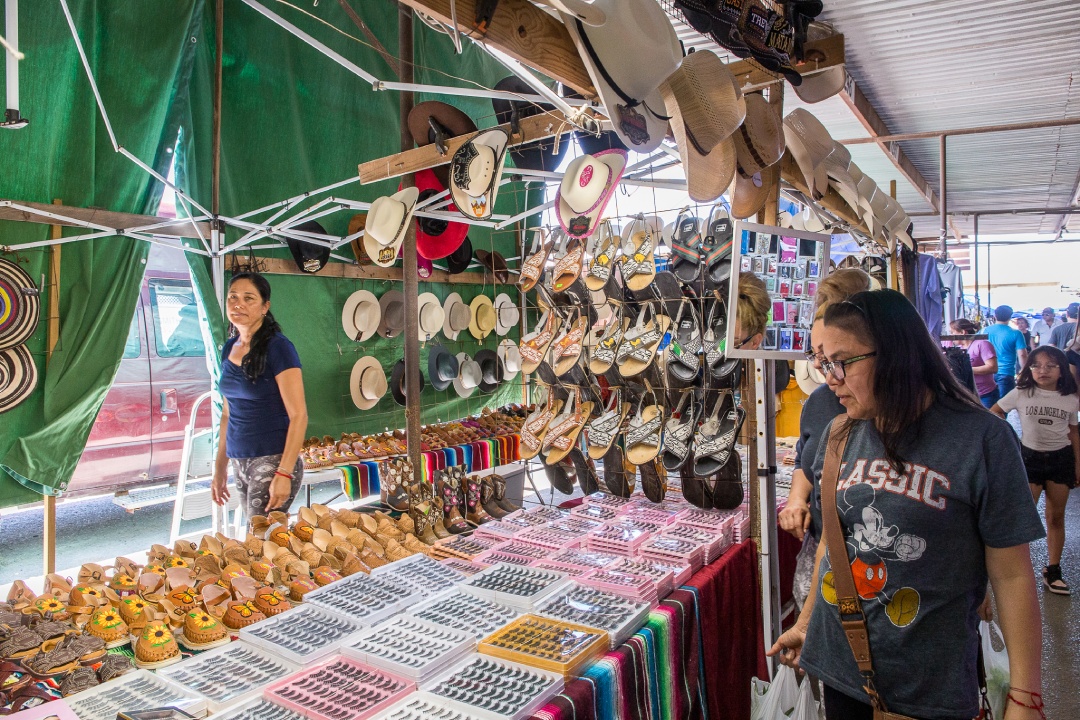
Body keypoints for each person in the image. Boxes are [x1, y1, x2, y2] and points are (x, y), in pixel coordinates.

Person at [768, 289, 1044, 720]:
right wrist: (805, 624)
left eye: (841, 362)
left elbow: (1011, 576)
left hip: (929, 686)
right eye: (823, 364)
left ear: (896, 354)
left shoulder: (983, 441)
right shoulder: (840, 433)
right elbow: (834, 543)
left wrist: (1026, 696)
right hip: (841, 668)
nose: (829, 378)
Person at [780, 268, 870, 612]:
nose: (824, 369)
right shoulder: (819, 402)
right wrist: (796, 501)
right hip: (826, 544)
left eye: (835, 358)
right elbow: (808, 458)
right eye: (817, 356)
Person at [211, 272, 309, 525]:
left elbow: (299, 415)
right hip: (239, 458)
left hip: (272, 457)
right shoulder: (228, 348)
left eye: (248, 298)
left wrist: (284, 473)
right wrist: (219, 467)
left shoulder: (279, 348)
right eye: (232, 296)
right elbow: (227, 414)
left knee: (263, 543)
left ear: (265, 306)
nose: (238, 304)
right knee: (262, 544)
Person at [991, 346, 1080, 595]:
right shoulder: (1021, 393)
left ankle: (1053, 571)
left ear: (1062, 370)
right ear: (1029, 368)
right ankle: (1017, 571)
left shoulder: (1071, 398)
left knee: (1055, 516)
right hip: (1028, 459)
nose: (1043, 370)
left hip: (1061, 460)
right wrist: (1008, 442)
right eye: (1037, 365)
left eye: (1051, 366)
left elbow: (1074, 433)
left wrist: (1078, 465)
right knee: (1023, 518)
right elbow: (996, 412)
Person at [950, 318, 999, 408]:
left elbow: (993, 367)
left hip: (985, 394)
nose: (951, 336)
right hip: (967, 394)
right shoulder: (958, 348)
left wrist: (966, 370)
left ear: (962, 332)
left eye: (953, 332)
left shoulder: (982, 344)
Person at [986, 304, 1028, 398]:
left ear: (995, 316)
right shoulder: (1016, 333)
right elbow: (1022, 355)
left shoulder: (984, 331)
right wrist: (1025, 371)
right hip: (1006, 372)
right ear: (1010, 317)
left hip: (987, 372)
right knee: (1003, 406)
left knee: (987, 404)